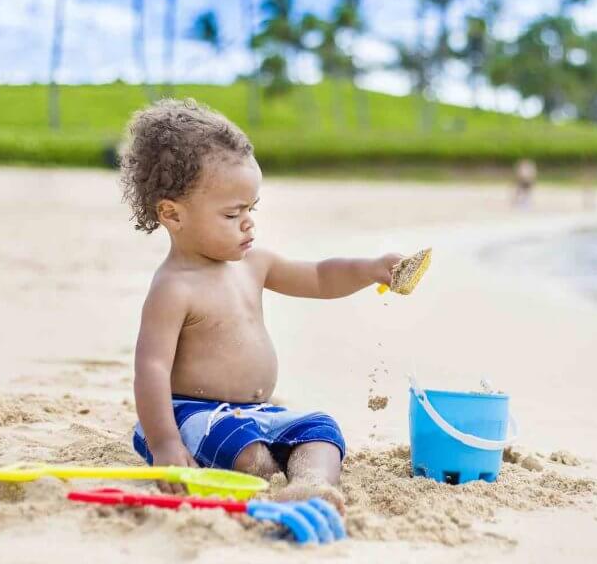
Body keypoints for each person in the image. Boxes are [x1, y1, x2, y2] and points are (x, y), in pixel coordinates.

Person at [119, 99, 403, 510]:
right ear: (172, 214)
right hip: (192, 415)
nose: (249, 222)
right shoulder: (174, 287)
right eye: (233, 214)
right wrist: (165, 443)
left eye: (252, 208)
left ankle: (312, 483)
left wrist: (370, 269)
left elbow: (321, 277)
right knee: (246, 452)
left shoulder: (254, 264)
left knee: (320, 431)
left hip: (257, 411)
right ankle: (268, 475)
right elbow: (151, 368)